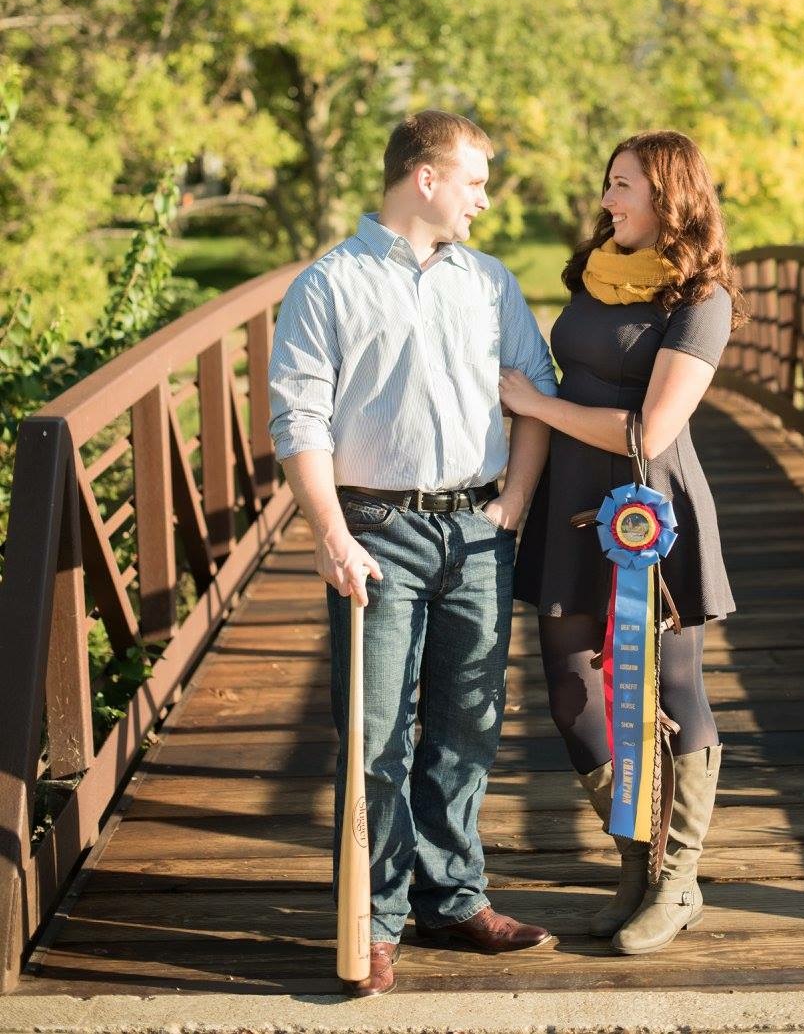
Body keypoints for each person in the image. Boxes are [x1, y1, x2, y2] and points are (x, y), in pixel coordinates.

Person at [268, 110, 557, 997]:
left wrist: (512, 503)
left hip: (477, 533)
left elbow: (535, 397)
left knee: (468, 726)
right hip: (376, 533)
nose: (484, 197)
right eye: (474, 179)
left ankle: (453, 896)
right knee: (377, 736)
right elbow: (299, 420)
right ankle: (374, 917)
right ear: (425, 178)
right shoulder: (328, 284)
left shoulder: (491, 281)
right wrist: (330, 530)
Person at [500, 130, 746, 956]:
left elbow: (651, 428)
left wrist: (536, 405)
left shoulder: (702, 301)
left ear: (670, 195)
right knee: (569, 686)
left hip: (651, 508)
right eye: (608, 182)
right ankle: (635, 862)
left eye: (625, 185)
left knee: (674, 689)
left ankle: (679, 879)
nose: (608, 200)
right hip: (570, 501)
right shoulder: (594, 271)